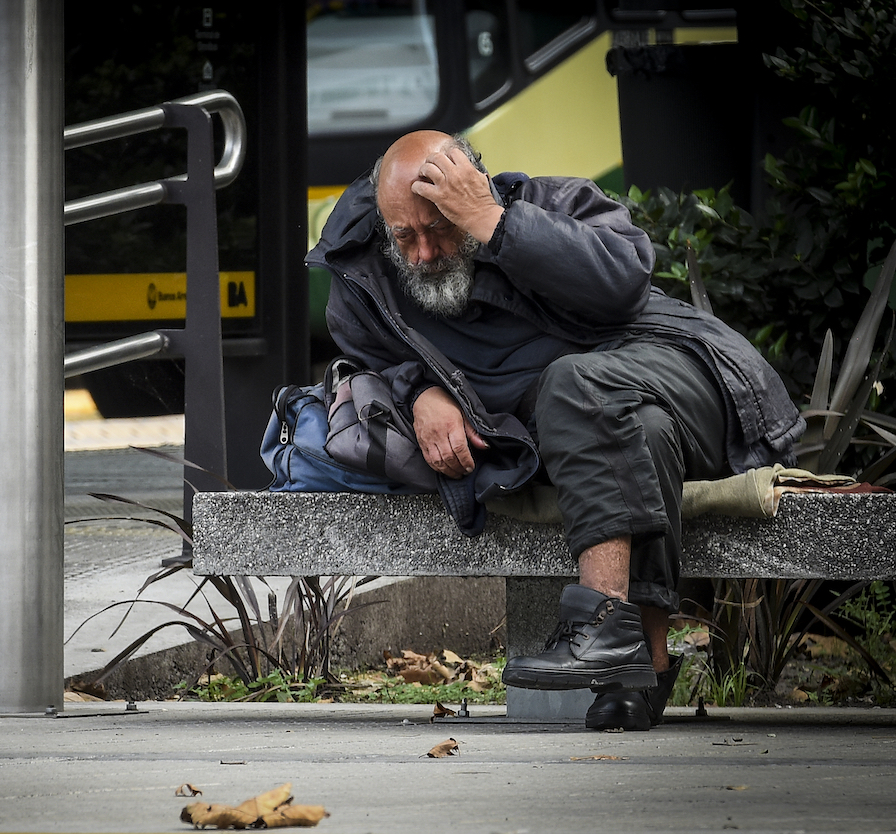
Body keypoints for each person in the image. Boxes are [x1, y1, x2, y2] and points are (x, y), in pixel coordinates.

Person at [307, 130, 805, 730]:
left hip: (690, 371)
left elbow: (624, 280)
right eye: (403, 236)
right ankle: (635, 669)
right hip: (617, 419)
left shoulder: (552, 204)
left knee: (571, 383)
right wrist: (420, 391)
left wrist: (493, 221)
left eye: (439, 228)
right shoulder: (365, 278)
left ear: (474, 190)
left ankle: (597, 620)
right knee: (635, 431)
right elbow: (366, 358)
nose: (421, 254)